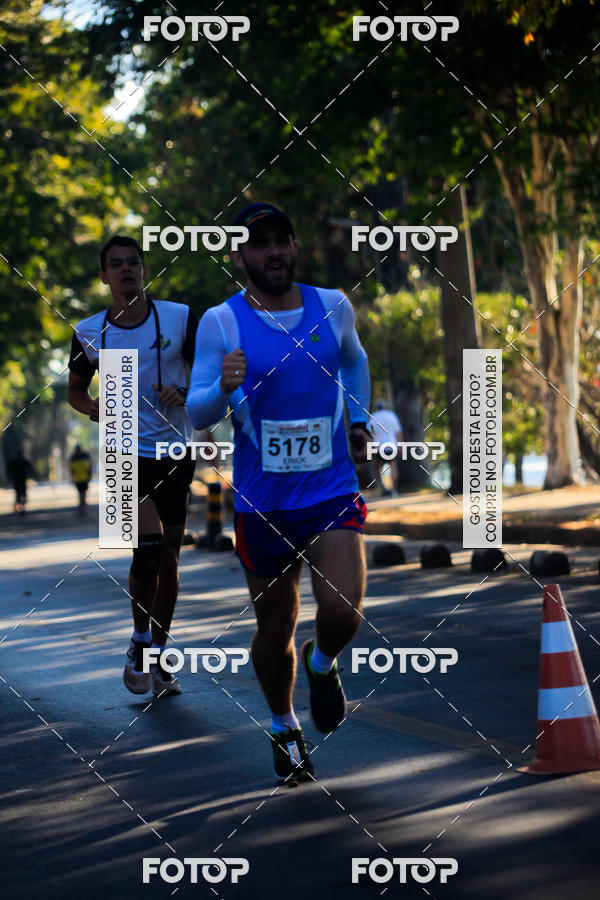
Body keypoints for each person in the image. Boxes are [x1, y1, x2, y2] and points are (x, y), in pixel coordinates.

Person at [187, 202, 371, 783]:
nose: (272, 251)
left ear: (293, 246)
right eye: (258, 243)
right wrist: (223, 387)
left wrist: (360, 420)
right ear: (238, 255)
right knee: (275, 628)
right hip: (262, 503)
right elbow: (197, 411)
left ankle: (323, 663)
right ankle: (283, 724)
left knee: (343, 609)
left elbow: (355, 362)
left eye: (280, 240)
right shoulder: (222, 321)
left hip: (329, 488)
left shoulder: (332, 305)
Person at [67, 235, 198, 697]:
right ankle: (140, 640)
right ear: (104, 275)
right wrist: (92, 406)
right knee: (148, 550)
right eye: (116, 264)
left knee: (170, 558)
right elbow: (75, 390)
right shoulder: (90, 331)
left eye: (133, 262)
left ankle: (157, 656)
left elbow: (207, 375)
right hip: (124, 452)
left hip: (175, 451)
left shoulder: (179, 317)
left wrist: (186, 394)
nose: (126, 269)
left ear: (144, 269)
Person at [371, 400, 403, 496]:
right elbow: (398, 433)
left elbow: (370, 434)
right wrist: (400, 446)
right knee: (393, 468)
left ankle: (383, 488)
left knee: (378, 469)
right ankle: (394, 490)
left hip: (378, 446)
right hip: (392, 445)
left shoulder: (373, 417)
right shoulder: (392, 416)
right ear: (385, 407)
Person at [7, 449, 34, 514]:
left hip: (20, 480)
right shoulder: (18, 461)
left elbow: (30, 467)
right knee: (20, 494)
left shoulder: (19, 461)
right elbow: (30, 467)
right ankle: (20, 507)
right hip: (19, 480)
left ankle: (21, 506)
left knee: (21, 494)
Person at [69, 444, 92, 515]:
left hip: (84, 478)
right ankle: (82, 506)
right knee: (81, 493)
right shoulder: (73, 458)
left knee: (83, 493)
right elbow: (72, 470)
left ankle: (83, 506)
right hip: (78, 478)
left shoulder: (85, 456)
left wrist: (89, 475)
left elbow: (89, 467)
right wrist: (72, 478)